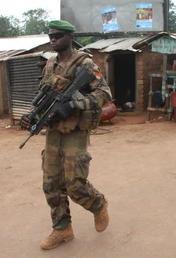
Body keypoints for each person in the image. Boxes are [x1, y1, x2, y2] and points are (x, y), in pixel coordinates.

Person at [21, 20, 112, 250]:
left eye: (58, 35)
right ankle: (62, 228)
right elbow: (43, 95)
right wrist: (32, 116)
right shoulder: (50, 64)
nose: (53, 39)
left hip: (74, 132)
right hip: (53, 132)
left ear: (70, 37)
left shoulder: (85, 63)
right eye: (50, 35)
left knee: (74, 184)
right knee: (51, 183)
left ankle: (98, 204)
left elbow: (104, 94)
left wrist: (74, 105)